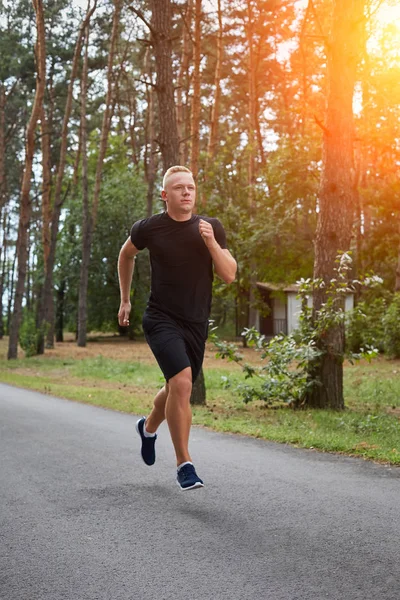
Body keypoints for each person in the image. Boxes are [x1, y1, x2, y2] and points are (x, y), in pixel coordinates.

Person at [117, 166, 237, 490]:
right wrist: (125, 299)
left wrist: (212, 244)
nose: (186, 192)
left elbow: (229, 274)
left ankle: (148, 428)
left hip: (196, 323)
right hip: (160, 318)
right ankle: (185, 464)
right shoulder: (149, 228)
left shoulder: (210, 227)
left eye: (191, 187)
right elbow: (126, 255)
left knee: (174, 387)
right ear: (164, 195)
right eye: (179, 188)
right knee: (182, 382)